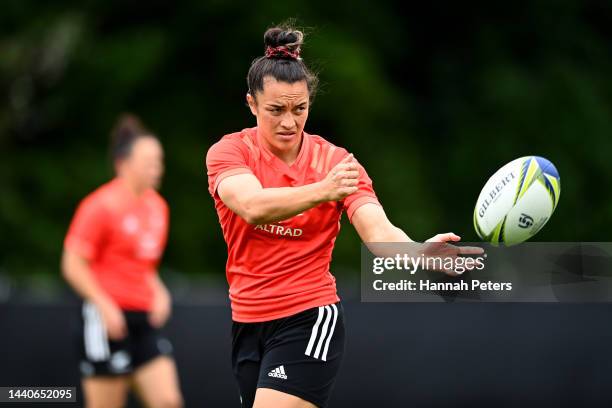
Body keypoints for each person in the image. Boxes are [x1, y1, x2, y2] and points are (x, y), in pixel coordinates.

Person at [206, 25, 479, 408]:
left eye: (299, 109)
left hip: (308, 316)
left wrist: (418, 252)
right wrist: (324, 189)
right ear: (251, 104)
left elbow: (377, 230)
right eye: (276, 110)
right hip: (247, 322)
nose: (289, 122)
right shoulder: (230, 152)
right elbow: (252, 206)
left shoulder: (336, 163)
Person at [62, 114, 183, 408]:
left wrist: (159, 291)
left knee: (168, 401)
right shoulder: (100, 205)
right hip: (106, 322)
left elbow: (143, 265)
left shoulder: (158, 207)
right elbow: (72, 264)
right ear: (124, 164)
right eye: (149, 161)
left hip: (143, 321)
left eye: (159, 160)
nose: (158, 168)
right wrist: (104, 305)